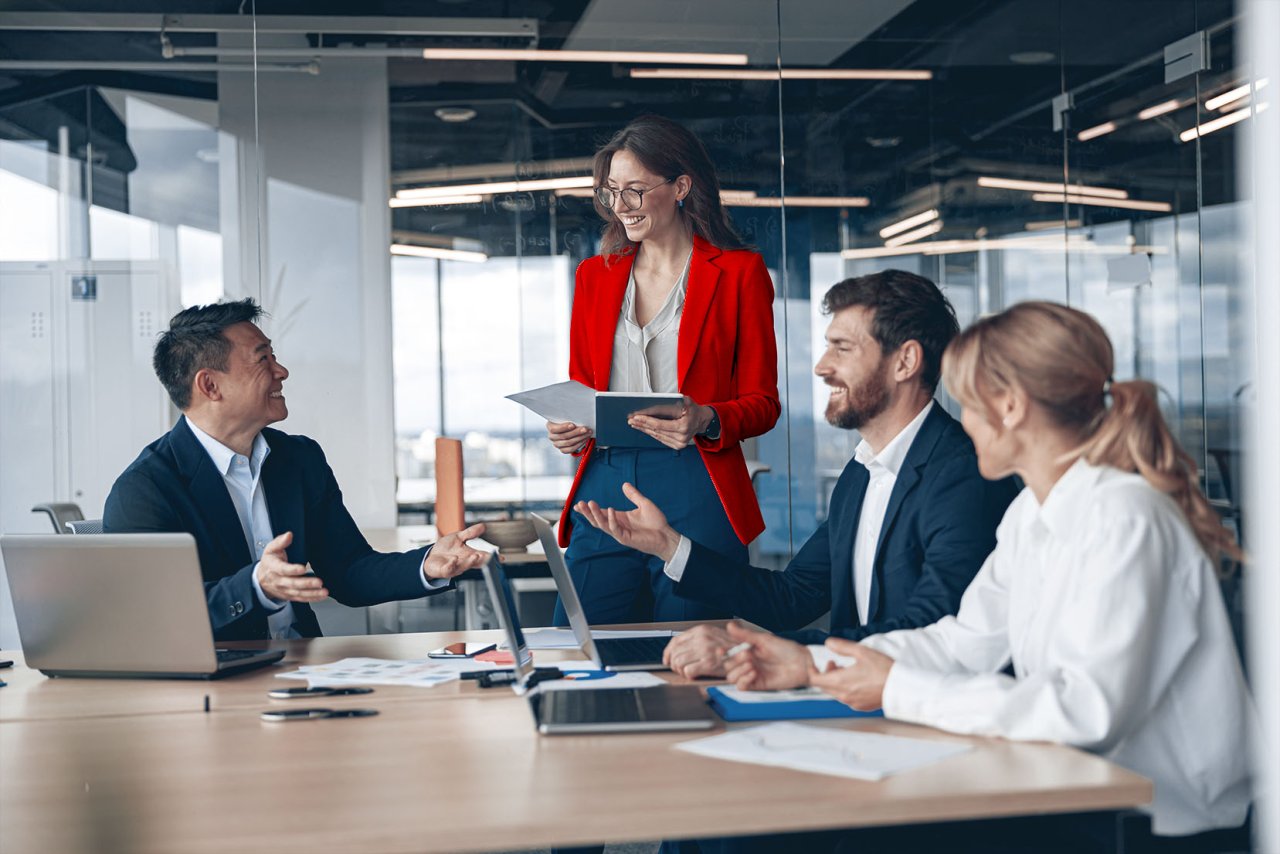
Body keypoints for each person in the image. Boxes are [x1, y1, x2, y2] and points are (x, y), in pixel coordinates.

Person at [724, 301, 1252, 850]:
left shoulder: (1124, 515)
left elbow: (1084, 710)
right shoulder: (1031, 512)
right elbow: (964, 641)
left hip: (1157, 823)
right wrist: (811, 664)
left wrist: (896, 686)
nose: (964, 424)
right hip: (1078, 793)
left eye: (970, 405)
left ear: (1011, 407)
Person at [575, 270, 1017, 679]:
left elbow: (930, 630)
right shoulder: (863, 472)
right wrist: (667, 545)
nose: (822, 366)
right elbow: (792, 597)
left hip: (920, 710)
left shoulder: (965, 476)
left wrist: (752, 652)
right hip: (855, 699)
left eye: (842, 348)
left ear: (905, 362)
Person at [104, 299, 489, 642]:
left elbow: (349, 572)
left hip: (303, 669)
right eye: (263, 359)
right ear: (210, 385)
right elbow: (156, 617)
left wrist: (426, 564)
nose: (282, 371)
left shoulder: (299, 459)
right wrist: (256, 587)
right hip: (216, 678)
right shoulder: (144, 490)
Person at [546, 114, 780, 626]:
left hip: (697, 477)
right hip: (605, 478)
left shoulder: (739, 274)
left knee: (693, 644)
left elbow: (764, 404)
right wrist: (570, 427)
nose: (621, 206)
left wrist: (705, 418)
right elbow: (582, 388)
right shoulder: (594, 276)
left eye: (635, 190)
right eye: (611, 192)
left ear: (681, 187)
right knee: (580, 643)